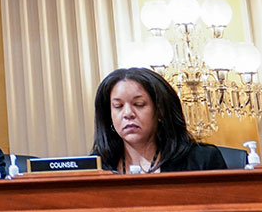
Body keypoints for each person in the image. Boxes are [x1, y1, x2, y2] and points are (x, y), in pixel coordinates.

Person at [92, 67, 226, 173]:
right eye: (118, 106)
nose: (128, 114)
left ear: (160, 110)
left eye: (139, 104)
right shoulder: (96, 167)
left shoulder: (202, 160)